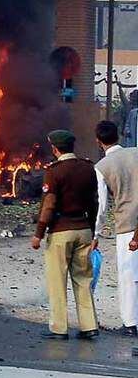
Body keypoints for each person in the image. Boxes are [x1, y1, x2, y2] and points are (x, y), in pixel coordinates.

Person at [31, 130, 99, 340]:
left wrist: (38, 234)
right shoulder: (88, 167)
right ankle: (89, 326)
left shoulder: (54, 171)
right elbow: (94, 202)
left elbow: (49, 205)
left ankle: (59, 328)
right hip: (84, 230)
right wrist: (92, 229)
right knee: (83, 279)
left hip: (61, 232)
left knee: (57, 281)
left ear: (55, 148)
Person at [93, 120, 138, 337]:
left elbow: (102, 206)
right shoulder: (136, 152)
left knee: (128, 275)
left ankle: (130, 324)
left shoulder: (102, 167)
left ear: (98, 141)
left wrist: (96, 233)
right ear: (119, 134)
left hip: (127, 226)